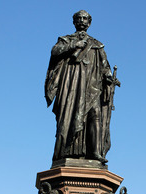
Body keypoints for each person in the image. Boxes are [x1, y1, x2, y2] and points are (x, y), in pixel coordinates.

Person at [44, 10, 120, 164]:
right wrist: (74, 45)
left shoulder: (97, 45)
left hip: (92, 89)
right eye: (79, 18)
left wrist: (110, 78)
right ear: (74, 22)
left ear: (89, 22)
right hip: (72, 86)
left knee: (96, 116)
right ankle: (64, 150)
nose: (82, 21)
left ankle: (95, 152)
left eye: (85, 18)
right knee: (68, 120)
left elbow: (105, 66)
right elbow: (54, 51)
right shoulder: (66, 40)